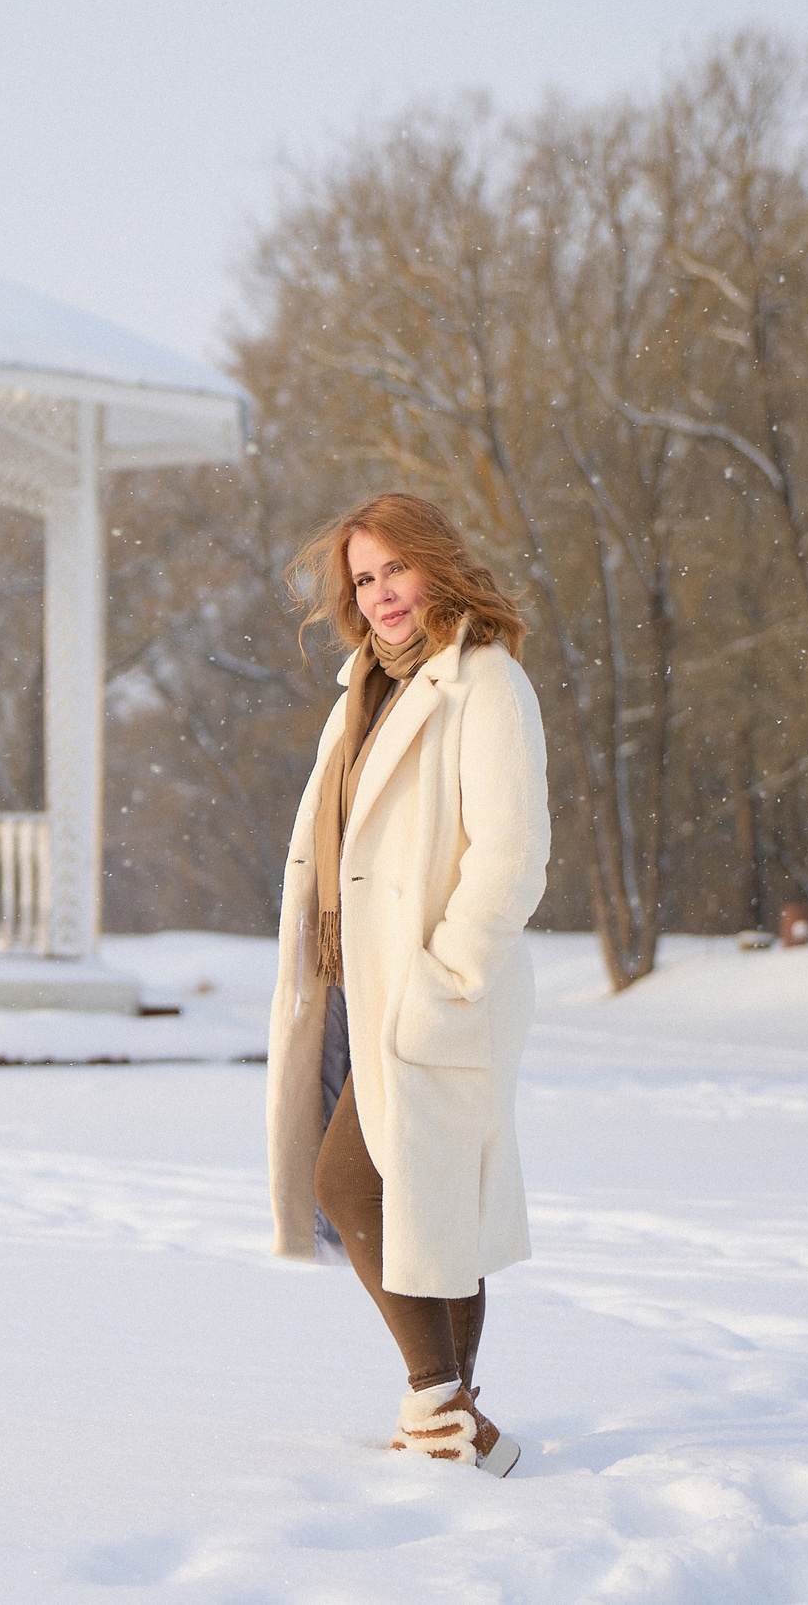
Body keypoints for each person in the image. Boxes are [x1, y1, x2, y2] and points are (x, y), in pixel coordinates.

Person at [264, 492, 550, 1476]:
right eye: (363, 578)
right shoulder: (364, 688)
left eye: (396, 568)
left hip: (434, 986)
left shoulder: (486, 681)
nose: (381, 593)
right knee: (435, 1202)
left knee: (351, 1181)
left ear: (437, 563)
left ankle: (438, 1407)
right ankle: (460, 1425)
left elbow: (511, 853)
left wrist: (446, 975)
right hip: (360, 980)